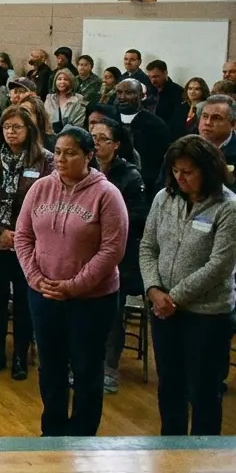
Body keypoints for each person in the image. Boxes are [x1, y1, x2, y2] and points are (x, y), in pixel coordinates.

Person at [15, 126, 127, 437]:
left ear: (89, 156)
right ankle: (52, 432)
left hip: (91, 300)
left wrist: (74, 285)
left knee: (86, 369)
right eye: (59, 152)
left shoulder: (107, 194)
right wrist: (36, 278)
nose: (61, 159)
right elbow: (23, 236)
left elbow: (112, 250)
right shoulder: (40, 188)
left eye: (71, 153)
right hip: (44, 294)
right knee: (50, 368)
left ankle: (82, 436)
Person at [140, 135, 236, 436]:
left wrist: (174, 298)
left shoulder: (230, 208)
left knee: (204, 393)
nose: (180, 178)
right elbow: (148, 246)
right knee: (169, 387)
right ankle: (170, 453)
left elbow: (219, 265)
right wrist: (154, 290)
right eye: (176, 171)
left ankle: (203, 461)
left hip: (207, 315)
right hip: (164, 311)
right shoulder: (164, 198)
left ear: (207, 170)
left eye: (188, 172)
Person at [0, 104, 54, 379]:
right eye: (7, 127)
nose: (11, 132)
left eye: (17, 127)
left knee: (23, 300)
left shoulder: (44, 161)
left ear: (29, 130)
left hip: (29, 243)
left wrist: (20, 235)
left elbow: (48, 202)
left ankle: (20, 355)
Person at [90, 117, 148, 395]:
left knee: (112, 316)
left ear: (116, 144)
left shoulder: (129, 175)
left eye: (102, 138)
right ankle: (83, 364)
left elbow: (137, 217)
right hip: (84, 251)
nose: (96, 143)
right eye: (93, 138)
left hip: (118, 257)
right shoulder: (84, 169)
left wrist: (102, 222)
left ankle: (109, 368)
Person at [114, 79, 170, 198]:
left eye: (129, 93)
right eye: (119, 92)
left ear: (142, 96)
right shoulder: (109, 119)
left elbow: (160, 164)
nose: (122, 97)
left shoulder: (156, 125)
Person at [197, 94, 236, 195]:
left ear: (233, 124)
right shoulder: (185, 147)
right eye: (205, 116)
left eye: (216, 118)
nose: (207, 122)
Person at [146, 60, 186, 126]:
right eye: (150, 77)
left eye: (156, 76)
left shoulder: (178, 92)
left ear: (165, 73)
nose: (153, 80)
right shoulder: (148, 89)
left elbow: (177, 119)